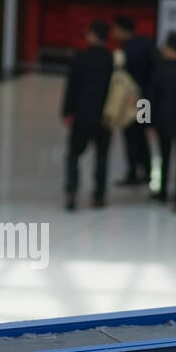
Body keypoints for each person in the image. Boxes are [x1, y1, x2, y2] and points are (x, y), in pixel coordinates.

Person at [61, 19, 114, 211]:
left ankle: (71, 193)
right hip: (104, 116)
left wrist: (67, 111)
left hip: (82, 115)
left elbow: (71, 87)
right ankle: (99, 196)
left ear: (93, 35)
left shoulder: (80, 58)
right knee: (102, 155)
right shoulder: (111, 59)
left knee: (74, 155)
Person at [147, 32, 176, 211]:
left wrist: (146, 121)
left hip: (162, 121)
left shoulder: (159, 68)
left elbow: (149, 97)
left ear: (168, 48)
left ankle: (163, 190)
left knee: (164, 156)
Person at [113, 16, 155, 187]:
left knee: (130, 135)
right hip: (145, 101)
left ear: (123, 30)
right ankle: (146, 170)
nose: (114, 33)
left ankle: (132, 173)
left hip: (131, 101)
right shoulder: (145, 44)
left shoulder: (128, 50)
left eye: (116, 29)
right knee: (142, 135)